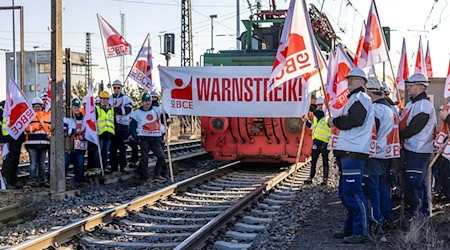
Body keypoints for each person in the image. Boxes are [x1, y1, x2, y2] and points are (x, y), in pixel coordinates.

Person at [328, 68, 374, 244]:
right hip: (349, 151)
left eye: (354, 79)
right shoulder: (355, 99)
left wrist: (335, 122)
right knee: (345, 194)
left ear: (363, 81)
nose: (350, 81)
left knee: (353, 193)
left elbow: (355, 120)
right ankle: (350, 228)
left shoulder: (361, 98)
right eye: (349, 78)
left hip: (354, 151)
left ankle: (361, 231)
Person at [364, 77, 400, 233]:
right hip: (387, 154)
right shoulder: (390, 110)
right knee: (383, 187)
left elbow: (372, 132)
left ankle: (376, 222)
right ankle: (387, 216)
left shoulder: (376, 110)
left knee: (373, 190)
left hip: (375, 154)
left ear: (369, 92)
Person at [399, 73, 436, 217]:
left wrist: (398, 136)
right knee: (416, 184)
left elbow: (414, 128)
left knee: (415, 184)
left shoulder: (424, 106)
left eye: (411, 85)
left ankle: (419, 215)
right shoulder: (411, 104)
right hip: (411, 149)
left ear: (420, 87)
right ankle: (420, 213)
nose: (408, 88)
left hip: (419, 150)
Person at [129, 93, 166, 182]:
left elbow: (165, 113)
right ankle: (146, 177)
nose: (147, 103)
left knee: (161, 157)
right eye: (145, 101)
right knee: (144, 158)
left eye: (149, 101)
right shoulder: (137, 113)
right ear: (142, 102)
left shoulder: (157, 110)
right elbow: (132, 126)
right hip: (144, 138)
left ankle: (157, 175)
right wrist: (136, 137)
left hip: (155, 138)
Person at [25, 97, 51, 187]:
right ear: (33, 107)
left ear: (42, 106)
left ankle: (42, 181)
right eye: (35, 106)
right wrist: (36, 127)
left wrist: (50, 136)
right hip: (32, 144)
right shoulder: (29, 116)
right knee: (33, 163)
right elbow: (26, 128)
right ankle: (32, 180)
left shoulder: (46, 116)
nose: (37, 108)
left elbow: (50, 128)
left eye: (39, 106)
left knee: (42, 164)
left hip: (43, 144)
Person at [305, 96, 331, 186]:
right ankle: (311, 177)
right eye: (318, 105)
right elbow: (313, 127)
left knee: (325, 162)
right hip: (316, 142)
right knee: (313, 162)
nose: (320, 106)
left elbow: (332, 130)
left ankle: (325, 179)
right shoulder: (315, 115)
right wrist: (306, 122)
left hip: (325, 143)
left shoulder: (328, 116)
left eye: (321, 105)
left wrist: (328, 143)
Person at [0, 101, 26, 190]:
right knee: (9, 161)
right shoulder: (2, 109)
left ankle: (13, 181)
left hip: (16, 139)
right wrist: (1, 141)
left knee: (15, 160)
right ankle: (7, 181)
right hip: (8, 140)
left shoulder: (17, 109)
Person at [109, 80, 133, 173]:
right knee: (113, 149)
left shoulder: (127, 99)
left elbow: (126, 111)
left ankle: (123, 166)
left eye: (118, 87)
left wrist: (115, 109)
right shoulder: (110, 98)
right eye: (114, 87)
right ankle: (113, 167)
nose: (116, 89)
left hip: (123, 127)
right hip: (113, 127)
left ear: (121, 88)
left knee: (122, 148)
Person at [64, 98, 87, 188]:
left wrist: (83, 136)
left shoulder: (84, 119)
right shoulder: (67, 119)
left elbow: (88, 131)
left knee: (79, 165)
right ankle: (63, 182)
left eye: (78, 107)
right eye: (75, 107)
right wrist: (74, 131)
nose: (77, 109)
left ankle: (78, 182)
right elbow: (64, 130)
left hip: (80, 146)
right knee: (65, 164)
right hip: (69, 146)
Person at [150, 91, 170, 179]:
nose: (153, 99)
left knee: (161, 154)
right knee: (145, 155)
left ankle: (163, 172)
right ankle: (142, 173)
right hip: (148, 133)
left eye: (154, 97)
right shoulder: (146, 108)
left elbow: (167, 121)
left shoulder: (162, 108)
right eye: (152, 97)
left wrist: (165, 130)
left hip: (159, 133)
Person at [96, 91, 115, 171]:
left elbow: (113, 121)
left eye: (106, 98)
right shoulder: (97, 108)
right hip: (100, 133)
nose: (105, 100)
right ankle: (98, 167)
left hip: (109, 133)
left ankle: (104, 166)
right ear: (100, 99)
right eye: (103, 98)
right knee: (99, 152)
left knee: (106, 151)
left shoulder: (111, 109)